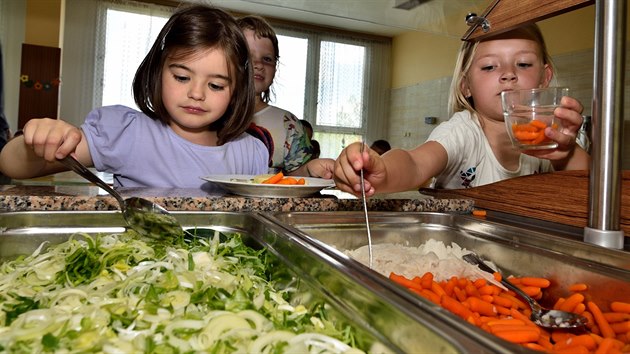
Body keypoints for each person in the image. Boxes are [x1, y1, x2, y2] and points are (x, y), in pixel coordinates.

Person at [0, 5, 268, 188]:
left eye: (216, 86)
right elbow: (11, 165)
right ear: (157, 73)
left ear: (236, 93)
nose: (196, 94)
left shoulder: (250, 152)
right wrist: (39, 140)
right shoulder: (126, 133)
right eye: (182, 78)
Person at [334, 24, 590, 196]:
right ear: (466, 85)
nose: (509, 74)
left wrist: (565, 153)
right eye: (490, 67)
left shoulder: (548, 138)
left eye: (523, 64)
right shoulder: (463, 132)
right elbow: (415, 163)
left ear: (544, 78)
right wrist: (383, 172)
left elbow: (586, 186)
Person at [238, 15, 333, 178]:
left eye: (267, 59)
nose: (258, 64)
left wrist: (310, 169)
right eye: (247, 56)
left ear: (275, 67)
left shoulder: (288, 123)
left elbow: (297, 175)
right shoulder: (210, 114)